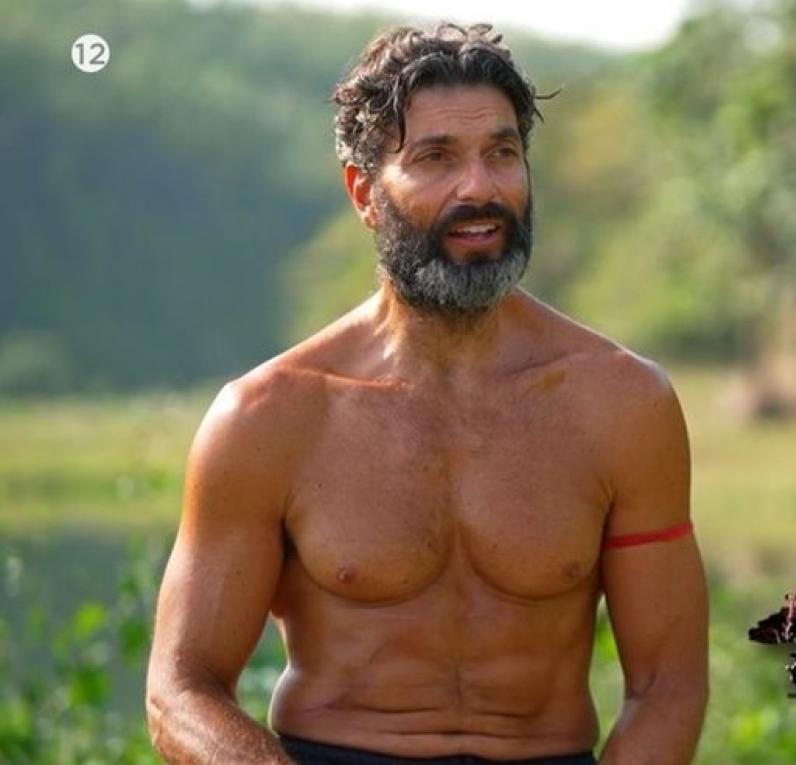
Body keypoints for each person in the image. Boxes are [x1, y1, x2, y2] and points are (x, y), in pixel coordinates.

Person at [145, 22, 709, 765]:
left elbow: (668, 687)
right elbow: (181, 689)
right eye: (436, 158)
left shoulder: (622, 403)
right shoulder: (269, 416)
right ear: (364, 194)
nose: (479, 188)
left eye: (501, 154)